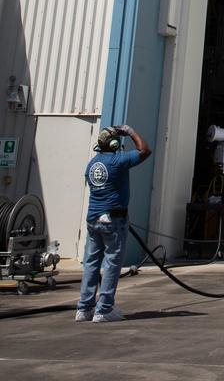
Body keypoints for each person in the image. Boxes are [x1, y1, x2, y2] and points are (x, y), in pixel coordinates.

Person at [75, 124, 151, 322]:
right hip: (113, 220)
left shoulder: (92, 164)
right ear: (116, 144)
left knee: (91, 263)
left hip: (93, 219)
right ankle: (104, 309)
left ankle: (84, 308)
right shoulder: (118, 161)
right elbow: (145, 150)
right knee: (112, 263)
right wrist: (131, 131)